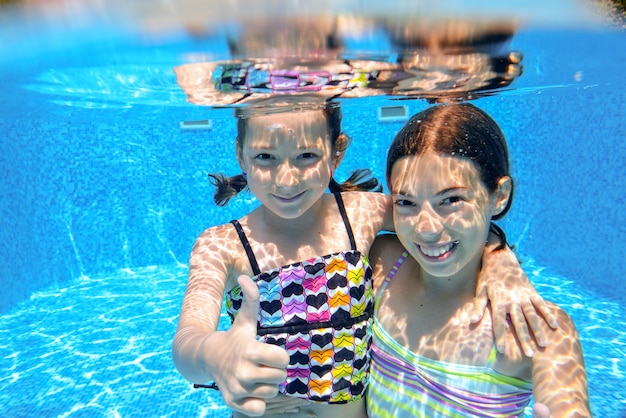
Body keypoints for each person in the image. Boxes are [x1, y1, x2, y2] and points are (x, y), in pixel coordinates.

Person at [172, 95, 556, 418]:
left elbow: (443, 221)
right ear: (240, 155)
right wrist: (213, 354)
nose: (286, 179)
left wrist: (502, 264)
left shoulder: (358, 215)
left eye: (307, 155)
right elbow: (187, 339)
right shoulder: (221, 244)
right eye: (265, 157)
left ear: (336, 152)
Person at [366, 103, 590, 417]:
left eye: (451, 199)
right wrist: (498, 252)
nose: (427, 228)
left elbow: (568, 406)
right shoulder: (381, 264)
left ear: (499, 195)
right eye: (406, 202)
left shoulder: (535, 326)